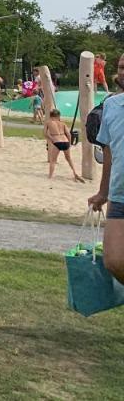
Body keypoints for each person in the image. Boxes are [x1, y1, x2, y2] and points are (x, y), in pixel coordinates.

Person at [89, 53, 124, 282]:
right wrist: (103, 192)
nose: (123, 71)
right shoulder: (111, 105)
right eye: (122, 67)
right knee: (113, 260)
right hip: (119, 195)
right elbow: (108, 154)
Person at [43, 109, 85, 182]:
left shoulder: (48, 122)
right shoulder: (63, 123)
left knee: (53, 160)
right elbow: (68, 134)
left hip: (57, 141)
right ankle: (75, 173)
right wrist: (69, 143)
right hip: (65, 141)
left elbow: (45, 133)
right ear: (58, 116)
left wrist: (51, 138)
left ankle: (50, 176)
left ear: (50, 116)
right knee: (69, 159)